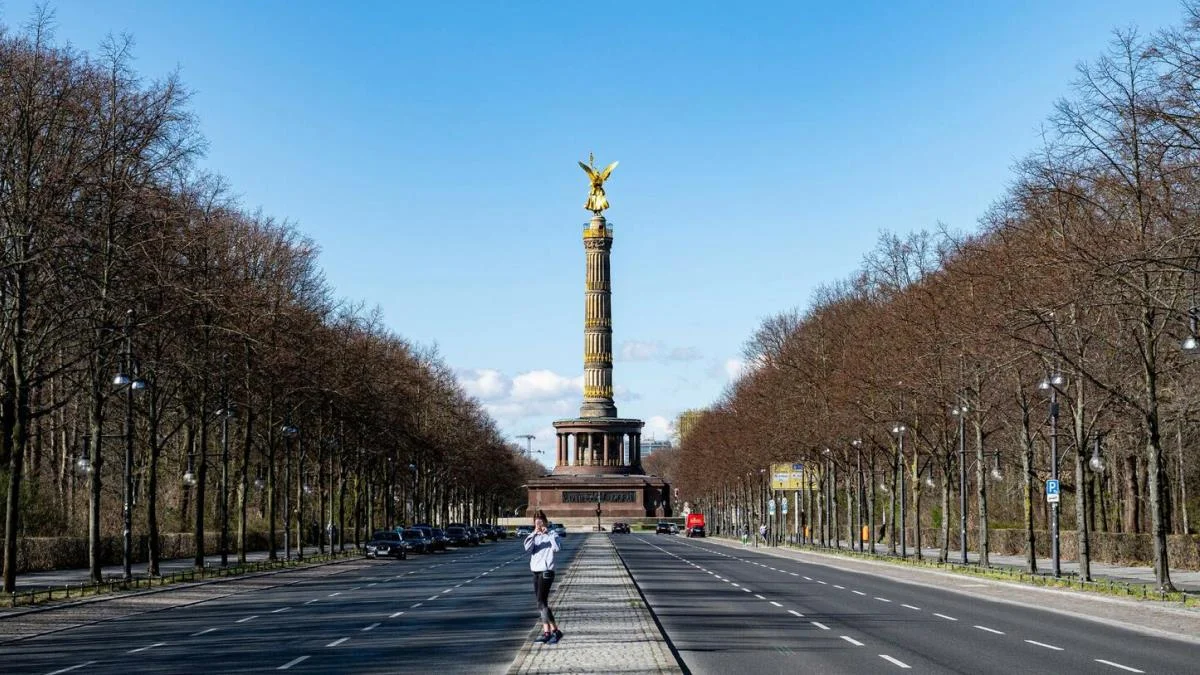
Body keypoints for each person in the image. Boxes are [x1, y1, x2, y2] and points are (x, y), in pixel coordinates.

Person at [524, 510, 563, 644]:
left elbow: (557, 548)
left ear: (545, 521)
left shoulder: (552, 534)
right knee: (541, 603)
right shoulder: (533, 536)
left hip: (547, 571)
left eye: (540, 520)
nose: (539, 523)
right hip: (535, 571)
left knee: (542, 602)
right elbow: (527, 548)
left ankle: (552, 631)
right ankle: (551, 632)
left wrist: (548, 534)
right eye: (536, 521)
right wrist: (535, 533)